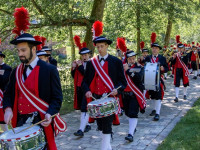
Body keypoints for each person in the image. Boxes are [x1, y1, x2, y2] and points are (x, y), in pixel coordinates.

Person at [3, 33, 63, 150]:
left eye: (23, 50)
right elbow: (8, 94)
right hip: (20, 123)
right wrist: (8, 109)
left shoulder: (50, 70)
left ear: (34, 49)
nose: (20, 54)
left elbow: (57, 98)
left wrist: (50, 113)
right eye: (18, 50)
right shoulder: (16, 71)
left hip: (41, 121)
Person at [82, 35, 127, 150]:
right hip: (96, 99)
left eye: (102, 46)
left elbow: (123, 81)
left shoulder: (116, 62)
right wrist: (87, 90)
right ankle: (107, 147)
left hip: (110, 99)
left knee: (107, 126)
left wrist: (117, 89)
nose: (100, 49)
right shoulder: (92, 63)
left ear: (107, 46)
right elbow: (85, 81)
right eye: (98, 47)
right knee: (101, 126)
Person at [122, 49, 146, 142]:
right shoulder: (123, 68)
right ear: (127, 59)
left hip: (135, 95)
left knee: (133, 113)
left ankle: (130, 134)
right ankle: (133, 128)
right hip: (125, 95)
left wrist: (128, 71)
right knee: (127, 113)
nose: (132, 60)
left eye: (133, 58)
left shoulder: (139, 67)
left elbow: (138, 79)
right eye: (130, 59)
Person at [71, 36, 92, 137]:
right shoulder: (80, 64)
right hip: (79, 88)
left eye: (86, 55)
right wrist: (74, 68)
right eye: (82, 55)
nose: (84, 57)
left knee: (84, 108)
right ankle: (87, 125)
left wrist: (79, 67)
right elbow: (74, 76)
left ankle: (81, 130)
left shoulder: (91, 64)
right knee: (81, 108)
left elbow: (85, 74)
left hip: (87, 89)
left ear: (89, 55)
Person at [145, 43, 168, 121]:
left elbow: (167, 68)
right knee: (152, 96)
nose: (154, 50)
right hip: (149, 79)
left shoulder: (162, 58)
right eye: (153, 48)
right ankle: (154, 109)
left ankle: (157, 113)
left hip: (158, 79)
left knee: (158, 96)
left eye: (156, 48)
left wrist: (163, 69)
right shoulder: (148, 58)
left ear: (159, 50)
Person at [0, 51, 12, 132]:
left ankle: (10, 144)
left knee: (4, 124)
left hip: (3, 97)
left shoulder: (7, 68)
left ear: (2, 57)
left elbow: (3, 81)